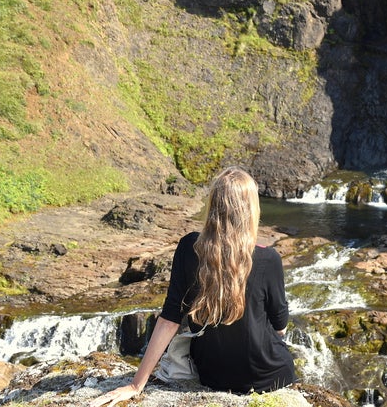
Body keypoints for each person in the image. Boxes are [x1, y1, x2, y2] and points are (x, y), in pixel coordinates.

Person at [90, 167, 296, 406]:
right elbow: (280, 324)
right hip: (269, 377)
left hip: (214, 377)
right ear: (251, 209)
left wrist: (137, 385)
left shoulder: (189, 247)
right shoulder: (269, 258)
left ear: (214, 204)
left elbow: (169, 319)